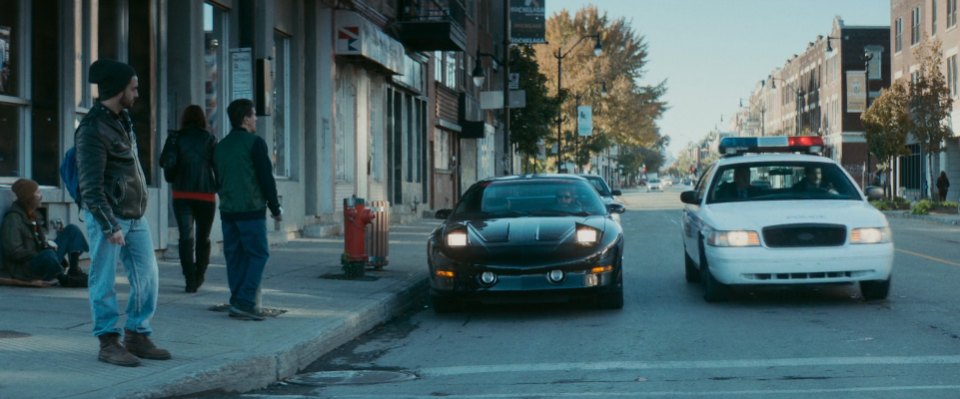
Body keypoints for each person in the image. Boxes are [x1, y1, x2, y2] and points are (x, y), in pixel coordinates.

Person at [76, 59, 170, 367]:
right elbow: (90, 187)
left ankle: (137, 335)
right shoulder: (92, 129)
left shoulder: (123, 120)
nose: (137, 93)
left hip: (135, 215)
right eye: (134, 87)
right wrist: (108, 224)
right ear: (119, 90)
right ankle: (108, 342)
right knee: (103, 280)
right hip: (110, 218)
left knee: (147, 277)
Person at [214, 99, 282, 321]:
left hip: (228, 210)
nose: (255, 119)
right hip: (250, 210)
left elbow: (217, 179)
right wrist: (275, 208)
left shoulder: (221, 146)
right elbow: (265, 178)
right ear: (245, 118)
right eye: (253, 115)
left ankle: (236, 300)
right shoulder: (255, 143)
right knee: (259, 254)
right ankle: (244, 301)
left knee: (235, 257)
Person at [162, 105, 218, 293]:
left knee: (186, 237)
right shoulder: (209, 139)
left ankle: (189, 280)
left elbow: (167, 163)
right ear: (202, 119)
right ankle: (200, 274)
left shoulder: (176, 137)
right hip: (205, 195)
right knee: (204, 238)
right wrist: (219, 188)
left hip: (182, 194)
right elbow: (217, 167)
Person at [1, 179, 89, 287]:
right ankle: (64, 279)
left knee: (71, 230)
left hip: (42, 258)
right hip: (26, 269)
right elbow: (13, 251)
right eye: (38, 193)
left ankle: (74, 271)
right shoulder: (13, 219)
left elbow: (39, 243)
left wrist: (47, 245)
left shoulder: (33, 214)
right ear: (28, 197)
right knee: (48, 254)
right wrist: (41, 253)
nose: (41, 195)